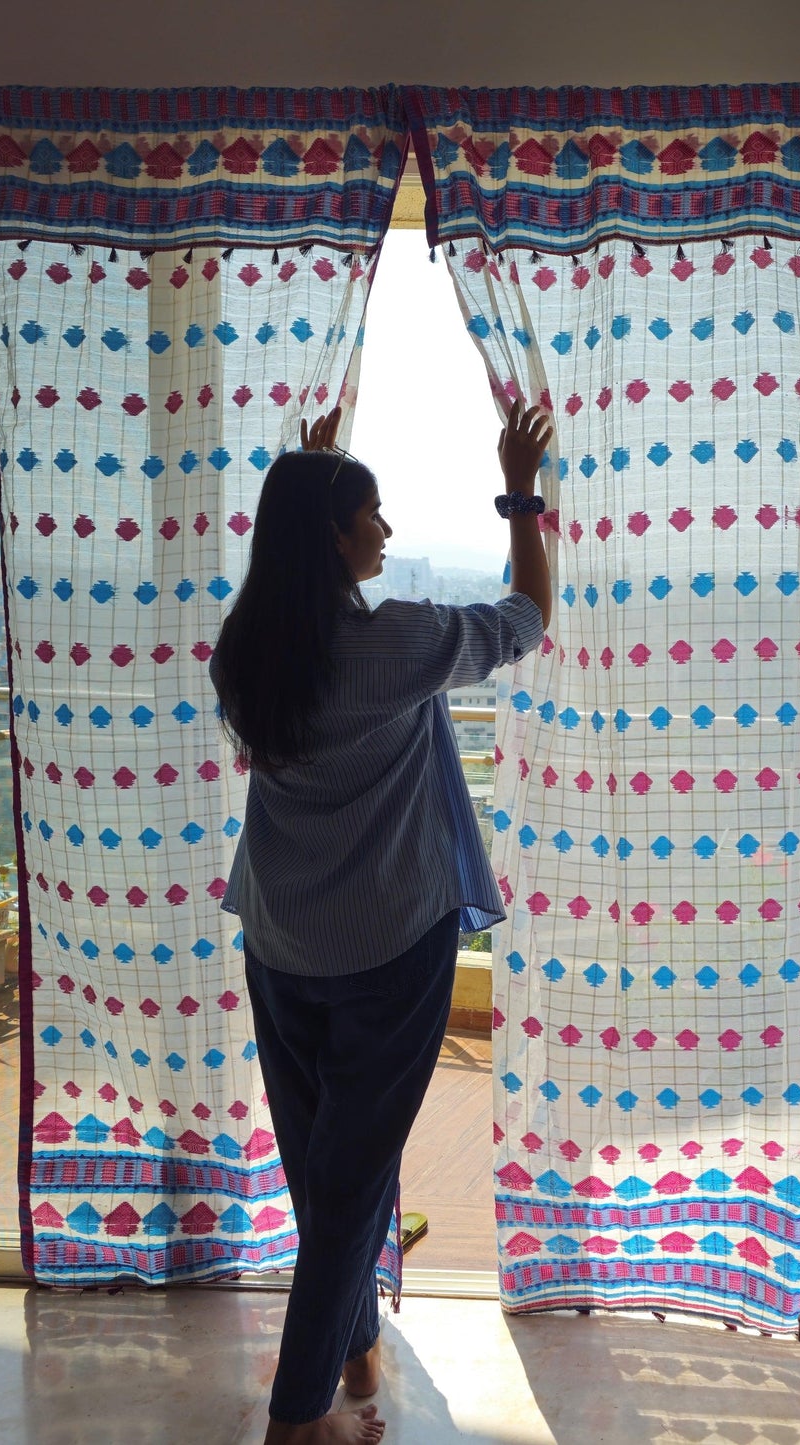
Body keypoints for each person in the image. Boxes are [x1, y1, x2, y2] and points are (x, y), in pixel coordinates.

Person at [210, 400, 553, 1445]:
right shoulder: (397, 641)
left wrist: (316, 464)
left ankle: (355, 1343)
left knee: (327, 1168)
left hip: (277, 936)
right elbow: (526, 616)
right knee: (351, 1178)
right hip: (387, 949)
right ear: (334, 535)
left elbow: (302, 559)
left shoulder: (243, 653)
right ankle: (296, 1417)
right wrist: (519, 493)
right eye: (372, 513)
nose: (389, 532)